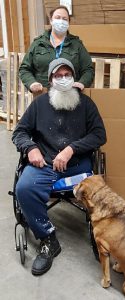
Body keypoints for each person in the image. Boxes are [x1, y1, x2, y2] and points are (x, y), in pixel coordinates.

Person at [12, 58, 106, 276]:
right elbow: (20, 132)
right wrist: (30, 148)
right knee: (24, 188)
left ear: (73, 78)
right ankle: (47, 238)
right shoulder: (39, 105)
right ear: (51, 79)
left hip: (77, 165)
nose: (63, 79)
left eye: (67, 75)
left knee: (99, 191)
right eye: (58, 76)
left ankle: (101, 236)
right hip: (43, 163)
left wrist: (72, 148)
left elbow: (100, 135)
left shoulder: (86, 105)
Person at [19, 5, 94, 97]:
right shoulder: (38, 44)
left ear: (68, 23)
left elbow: (88, 69)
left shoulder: (76, 44)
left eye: (65, 19)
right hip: (43, 94)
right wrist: (32, 83)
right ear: (51, 20)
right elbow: (24, 69)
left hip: (71, 95)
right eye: (57, 18)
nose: (61, 21)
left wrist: (82, 83)